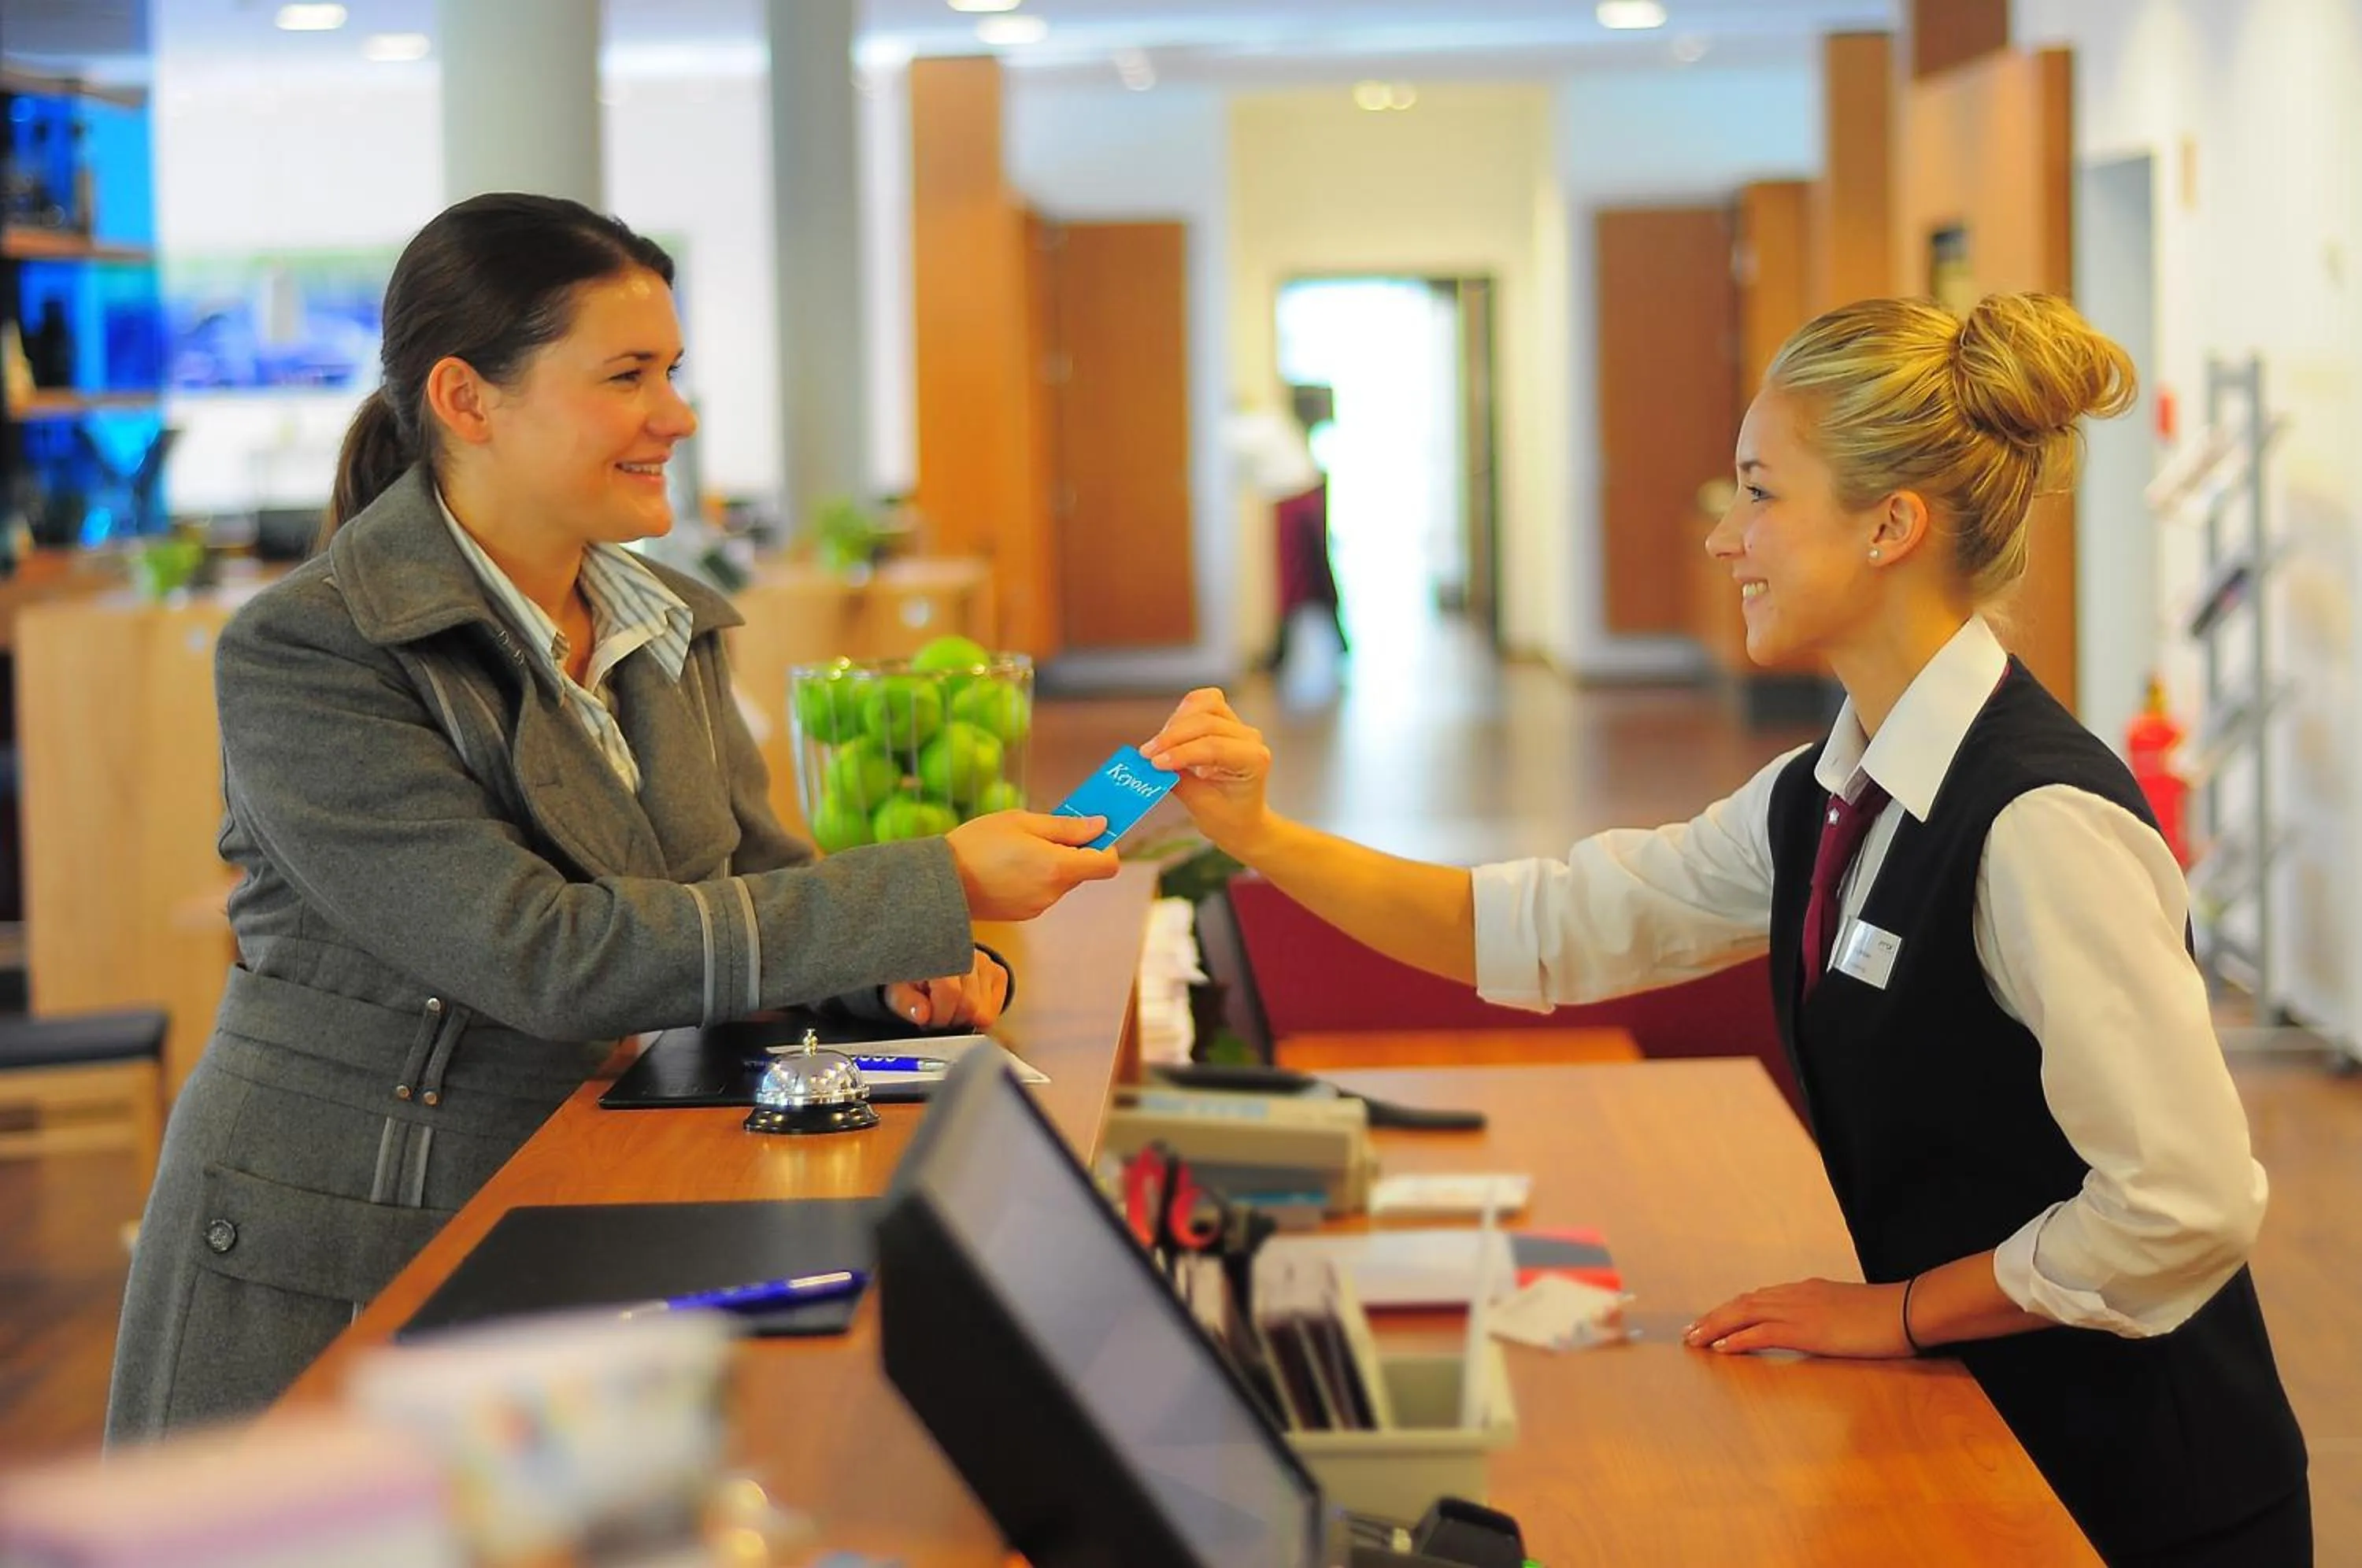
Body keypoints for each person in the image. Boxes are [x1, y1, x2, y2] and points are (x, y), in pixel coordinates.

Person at [1142, 294, 2309, 1565]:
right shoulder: (1828, 793)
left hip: (2133, 1496)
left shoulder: (2037, 824)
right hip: (1980, 1424)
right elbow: (1551, 925)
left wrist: (1901, 1312)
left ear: (1889, 526)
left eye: (1758, 493)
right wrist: (1258, 836)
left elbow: (2182, 1204)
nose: (1723, 540)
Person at [107, 194, 1119, 1441]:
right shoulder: (313, 651)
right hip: (345, 1250)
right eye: (628, 374)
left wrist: (890, 974)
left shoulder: (661, 622)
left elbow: (747, 876)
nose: (678, 416)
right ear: (467, 400)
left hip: (583, 1200)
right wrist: (931, 887)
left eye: (674, 371)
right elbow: (545, 954)